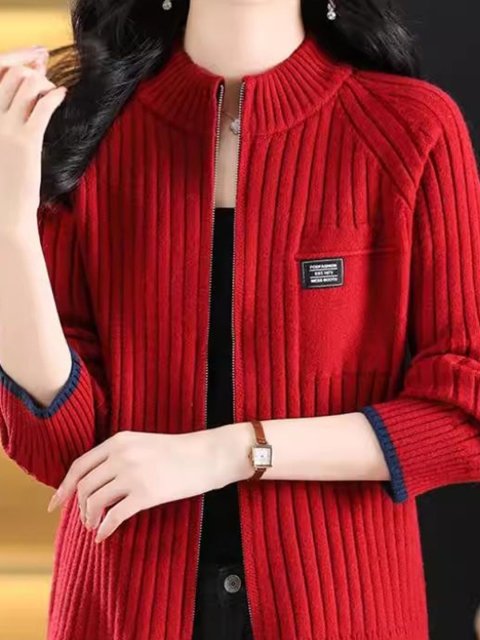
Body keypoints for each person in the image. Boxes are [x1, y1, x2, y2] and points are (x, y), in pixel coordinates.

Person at [0, 1, 479, 639]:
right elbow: (62, 449)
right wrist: (8, 225)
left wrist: (231, 451)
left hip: (343, 612)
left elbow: (465, 414)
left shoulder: (412, 128)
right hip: (116, 612)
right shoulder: (83, 126)